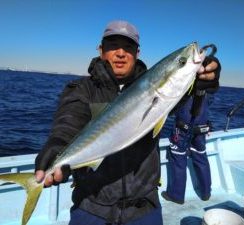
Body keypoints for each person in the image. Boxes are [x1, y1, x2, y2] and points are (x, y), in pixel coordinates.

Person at [35, 20, 220, 225]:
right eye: (113, 45)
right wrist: (58, 146)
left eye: (128, 47)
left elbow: (179, 96)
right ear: (100, 50)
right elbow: (68, 121)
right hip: (90, 208)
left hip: (145, 210)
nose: (121, 53)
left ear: (137, 52)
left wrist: (201, 82)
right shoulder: (82, 89)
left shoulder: (161, 91)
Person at [161, 55, 221, 204]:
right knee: (201, 157)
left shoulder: (187, 83)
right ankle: (206, 193)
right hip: (202, 128)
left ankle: (176, 195)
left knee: (178, 157)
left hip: (182, 128)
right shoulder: (209, 88)